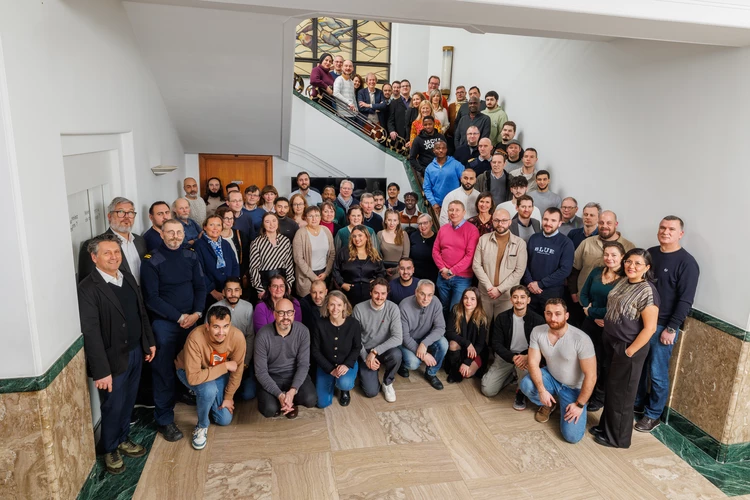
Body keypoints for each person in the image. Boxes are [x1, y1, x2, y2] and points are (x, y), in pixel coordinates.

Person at [77, 233, 155, 474]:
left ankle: (122, 438)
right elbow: (91, 333)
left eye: (117, 252)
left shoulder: (127, 277)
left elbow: (140, 311)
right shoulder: (88, 288)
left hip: (134, 351)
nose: (114, 257)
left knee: (128, 400)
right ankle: (109, 447)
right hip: (111, 360)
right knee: (112, 405)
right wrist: (101, 371)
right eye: (107, 253)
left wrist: (148, 342)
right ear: (94, 257)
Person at [140, 219, 206, 443]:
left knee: (191, 364)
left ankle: (186, 394)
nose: (176, 236)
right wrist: (179, 317)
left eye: (179, 232)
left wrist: (197, 313)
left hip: (192, 320)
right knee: (163, 372)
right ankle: (164, 420)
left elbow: (200, 286)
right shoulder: (151, 261)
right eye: (171, 232)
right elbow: (152, 298)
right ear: (162, 234)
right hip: (165, 325)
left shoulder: (190, 255)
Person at [635, 217, 700, 433]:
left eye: (671, 229)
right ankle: (636, 404)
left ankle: (653, 415)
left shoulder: (687, 263)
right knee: (639, 367)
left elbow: (685, 300)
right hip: (640, 322)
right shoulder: (650, 253)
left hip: (662, 327)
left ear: (680, 234)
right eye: (662, 227)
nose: (666, 231)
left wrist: (672, 329)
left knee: (657, 372)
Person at [591, 249, 659, 448]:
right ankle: (606, 427)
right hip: (611, 343)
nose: (631, 266)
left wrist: (629, 351)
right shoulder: (623, 281)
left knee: (622, 393)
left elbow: (650, 328)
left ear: (647, 268)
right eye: (629, 262)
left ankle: (618, 438)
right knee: (612, 389)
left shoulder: (647, 291)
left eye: (638, 263)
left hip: (628, 348)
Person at [519, 299, 596, 444]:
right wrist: (542, 390)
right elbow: (533, 363)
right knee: (526, 385)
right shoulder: (537, 331)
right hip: (551, 377)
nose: (553, 318)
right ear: (544, 314)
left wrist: (579, 405)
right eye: (549, 313)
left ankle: (565, 404)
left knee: (572, 437)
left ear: (566, 316)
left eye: (558, 314)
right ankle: (549, 404)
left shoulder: (581, 339)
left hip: (574, 388)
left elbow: (591, 376)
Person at [175, 306, 245, 449]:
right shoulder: (195, 337)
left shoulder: (237, 337)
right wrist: (224, 366)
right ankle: (202, 425)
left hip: (215, 373)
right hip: (190, 371)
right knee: (208, 390)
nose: (221, 332)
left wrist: (228, 397)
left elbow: (237, 371)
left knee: (224, 419)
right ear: (207, 326)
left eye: (225, 326)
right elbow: (193, 378)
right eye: (216, 327)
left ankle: (206, 399)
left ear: (230, 325)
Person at [579, 241, 625, 411]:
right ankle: (585, 392)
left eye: (614, 255)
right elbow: (583, 294)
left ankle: (599, 397)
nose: (609, 258)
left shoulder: (625, 280)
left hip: (609, 327)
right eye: (606, 254)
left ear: (622, 257)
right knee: (586, 359)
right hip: (589, 324)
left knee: (604, 362)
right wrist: (588, 311)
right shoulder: (597, 272)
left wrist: (592, 312)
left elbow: (617, 307)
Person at [482, 285, 545, 406]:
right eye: (515, 297)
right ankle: (511, 375)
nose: (519, 300)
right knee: (487, 390)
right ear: (511, 300)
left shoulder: (538, 320)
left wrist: (526, 357)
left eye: (522, 297)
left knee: (527, 385)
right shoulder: (502, 318)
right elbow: (496, 343)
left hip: (526, 358)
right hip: (507, 356)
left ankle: (520, 392)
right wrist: (512, 358)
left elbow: (542, 346)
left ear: (528, 300)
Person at [255, 298, 318, 418]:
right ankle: (283, 401)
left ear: (294, 314)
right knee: (269, 410)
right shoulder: (263, 335)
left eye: (289, 312)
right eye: (281, 313)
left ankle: (288, 401)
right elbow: (260, 371)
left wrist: (293, 390)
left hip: (293, 374)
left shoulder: (303, 331)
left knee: (311, 400)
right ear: (274, 314)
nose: (286, 317)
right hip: (272, 376)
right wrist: (279, 395)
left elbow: (303, 365)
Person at [569, 210, 636, 303]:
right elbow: (574, 269)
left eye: (609, 223)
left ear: (616, 224)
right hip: (585, 299)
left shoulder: (629, 247)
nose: (604, 226)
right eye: (601, 223)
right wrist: (573, 292)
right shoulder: (587, 243)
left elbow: (633, 275)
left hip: (614, 303)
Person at [353, 278, 403, 402]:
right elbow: (355, 338)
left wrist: (375, 352)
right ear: (370, 292)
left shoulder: (393, 308)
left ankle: (387, 382)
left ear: (387, 294)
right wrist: (366, 357)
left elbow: (398, 338)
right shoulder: (359, 309)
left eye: (383, 293)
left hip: (383, 349)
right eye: (376, 293)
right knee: (371, 392)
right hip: (365, 350)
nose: (379, 297)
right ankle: (364, 372)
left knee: (397, 354)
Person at [472, 208, 528, 318]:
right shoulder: (483, 239)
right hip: (485, 294)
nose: (500, 224)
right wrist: (489, 288)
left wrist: (499, 289)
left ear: (510, 222)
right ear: (492, 221)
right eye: (496, 220)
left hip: (507, 296)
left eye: (504, 220)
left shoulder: (519, 243)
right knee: (483, 328)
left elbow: (519, 271)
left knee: (502, 330)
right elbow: (476, 265)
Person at [78, 197, 147, 285]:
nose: (126, 217)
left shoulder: (140, 240)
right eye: (121, 212)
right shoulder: (94, 244)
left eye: (130, 212)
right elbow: (88, 283)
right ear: (109, 216)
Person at [312, 291, 362, 408]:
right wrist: (330, 369)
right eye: (332, 304)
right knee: (322, 403)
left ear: (345, 306)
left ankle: (344, 390)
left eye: (339, 305)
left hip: (346, 364)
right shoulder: (319, 324)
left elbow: (357, 347)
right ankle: (333, 379)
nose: (335, 308)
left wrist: (346, 365)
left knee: (344, 383)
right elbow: (315, 350)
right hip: (326, 366)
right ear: (327, 306)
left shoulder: (354, 324)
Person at [209, 278, 256, 402]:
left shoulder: (248, 307)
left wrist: (245, 362)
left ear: (241, 292)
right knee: (219, 390)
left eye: (236, 290)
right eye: (229, 290)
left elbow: (250, 336)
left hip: (241, 356)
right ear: (223, 292)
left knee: (248, 394)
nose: (233, 294)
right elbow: (209, 339)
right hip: (221, 358)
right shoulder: (214, 308)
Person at [522, 208, 575, 315]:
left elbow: (565, 270)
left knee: (548, 325)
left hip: (552, 292)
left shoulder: (566, 243)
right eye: (546, 219)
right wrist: (530, 282)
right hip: (530, 289)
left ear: (560, 223)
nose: (548, 223)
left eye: (553, 221)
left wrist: (541, 284)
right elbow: (524, 262)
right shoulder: (533, 238)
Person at [398, 279, 448, 390]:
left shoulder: (435, 302)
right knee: (413, 363)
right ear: (416, 292)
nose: (426, 299)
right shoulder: (404, 306)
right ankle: (401, 364)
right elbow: (404, 337)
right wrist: (424, 355)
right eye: (422, 294)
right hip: (406, 341)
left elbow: (440, 328)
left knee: (444, 343)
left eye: (430, 295)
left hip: (425, 339)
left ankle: (431, 373)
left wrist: (424, 344)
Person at [433, 200, 480, 315]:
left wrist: (452, 271)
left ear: (464, 212)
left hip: (462, 279)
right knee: (442, 309)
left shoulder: (472, 230)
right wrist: (443, 269)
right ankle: (441, 332)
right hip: (442, 276)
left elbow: (470, 255)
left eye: (457, 210)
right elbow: (435, 251)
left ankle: (453, 333)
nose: (453, 213)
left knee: (456, 310)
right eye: (451, 210)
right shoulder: (443, 229)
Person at [444, 287, 489, 383]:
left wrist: (467, 362)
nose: (468, 301)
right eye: (465, 298)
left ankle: (463, 366)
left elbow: (480, 344)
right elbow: (449, 332)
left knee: (467, 374)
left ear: (478, 301)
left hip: (475, 351)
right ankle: (454, 369)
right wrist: (467, 343)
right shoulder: (456, 309)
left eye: (472, 299)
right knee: (453, 344)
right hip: (461, 346)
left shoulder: (482, 317)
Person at [194, 215, 240, 309]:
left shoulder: (225, 244)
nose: (215, 228)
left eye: (218, 225)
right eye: (211, 225)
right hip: (209, 293)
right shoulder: (198, 246)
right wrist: (212, 291)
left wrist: (232, 287)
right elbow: (198, 271)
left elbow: (235, 265)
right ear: (205, 227)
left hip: (228, 291)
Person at [333, 225, 386, 306]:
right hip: (349, 294)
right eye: (354, 236)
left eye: (360, 235)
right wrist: (342, 284)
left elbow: (381, 271)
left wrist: (376, 281)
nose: (357, 239)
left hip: (369, 294)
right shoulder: (343, 252)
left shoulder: (375, 254)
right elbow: (335, 270)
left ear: (367, 237)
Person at [248, 211, 295, 298]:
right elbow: (254, 268)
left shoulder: (285, 241)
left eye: (274, 220)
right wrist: (259, 289)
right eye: (267, 221)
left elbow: (289, 265)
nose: (271, 224)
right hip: (265, 282)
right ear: (263, 224)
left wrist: (288, 284)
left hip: (282, 282)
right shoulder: (256, 243)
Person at [293, 206, 335, 297]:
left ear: (320, 217)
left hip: (324, 273)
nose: (314, 218)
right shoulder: (300, 233)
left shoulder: (326, 230)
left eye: (317, 215)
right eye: (310, 216)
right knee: (308, 302)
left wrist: (326, 273)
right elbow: (298, 259)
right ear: (305, 218)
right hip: (307, 274)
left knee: (323, 301)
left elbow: (332, 253)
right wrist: (313, 277)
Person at [423, 140, 464, 215]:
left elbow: (465, 181)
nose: (441, 150)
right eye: (438, 148)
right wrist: (434, 203)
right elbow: (427, 188)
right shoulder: (429, 168)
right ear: (434, 150)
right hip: (439, 206)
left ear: (446, 150)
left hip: (456, 203)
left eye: (443, 148)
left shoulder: (456, 164)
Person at [378, 209, 410, 279]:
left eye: (395, 220)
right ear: (385, 220)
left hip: (400, 273)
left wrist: (395, 270)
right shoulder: (380, 234)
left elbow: (405, 257)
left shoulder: (403, 235)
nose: (392, 223)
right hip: (383, 272)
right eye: (389, 220)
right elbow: (377, 255)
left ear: (398, 221)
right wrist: (384, 270)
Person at [215, 207, 245, 275]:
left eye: (231, 218)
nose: (229, 221)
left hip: (238, 274)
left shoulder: (240, 234)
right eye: (226, 218)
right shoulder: (214, 237)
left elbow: (245, 257)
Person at [410, 214, 439, 281]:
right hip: (415, 276)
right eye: (420, 224)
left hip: (432, 276)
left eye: (425, 223)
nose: (422, 226)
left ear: (431, 223)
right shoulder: (413, 236)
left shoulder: (437, 238)